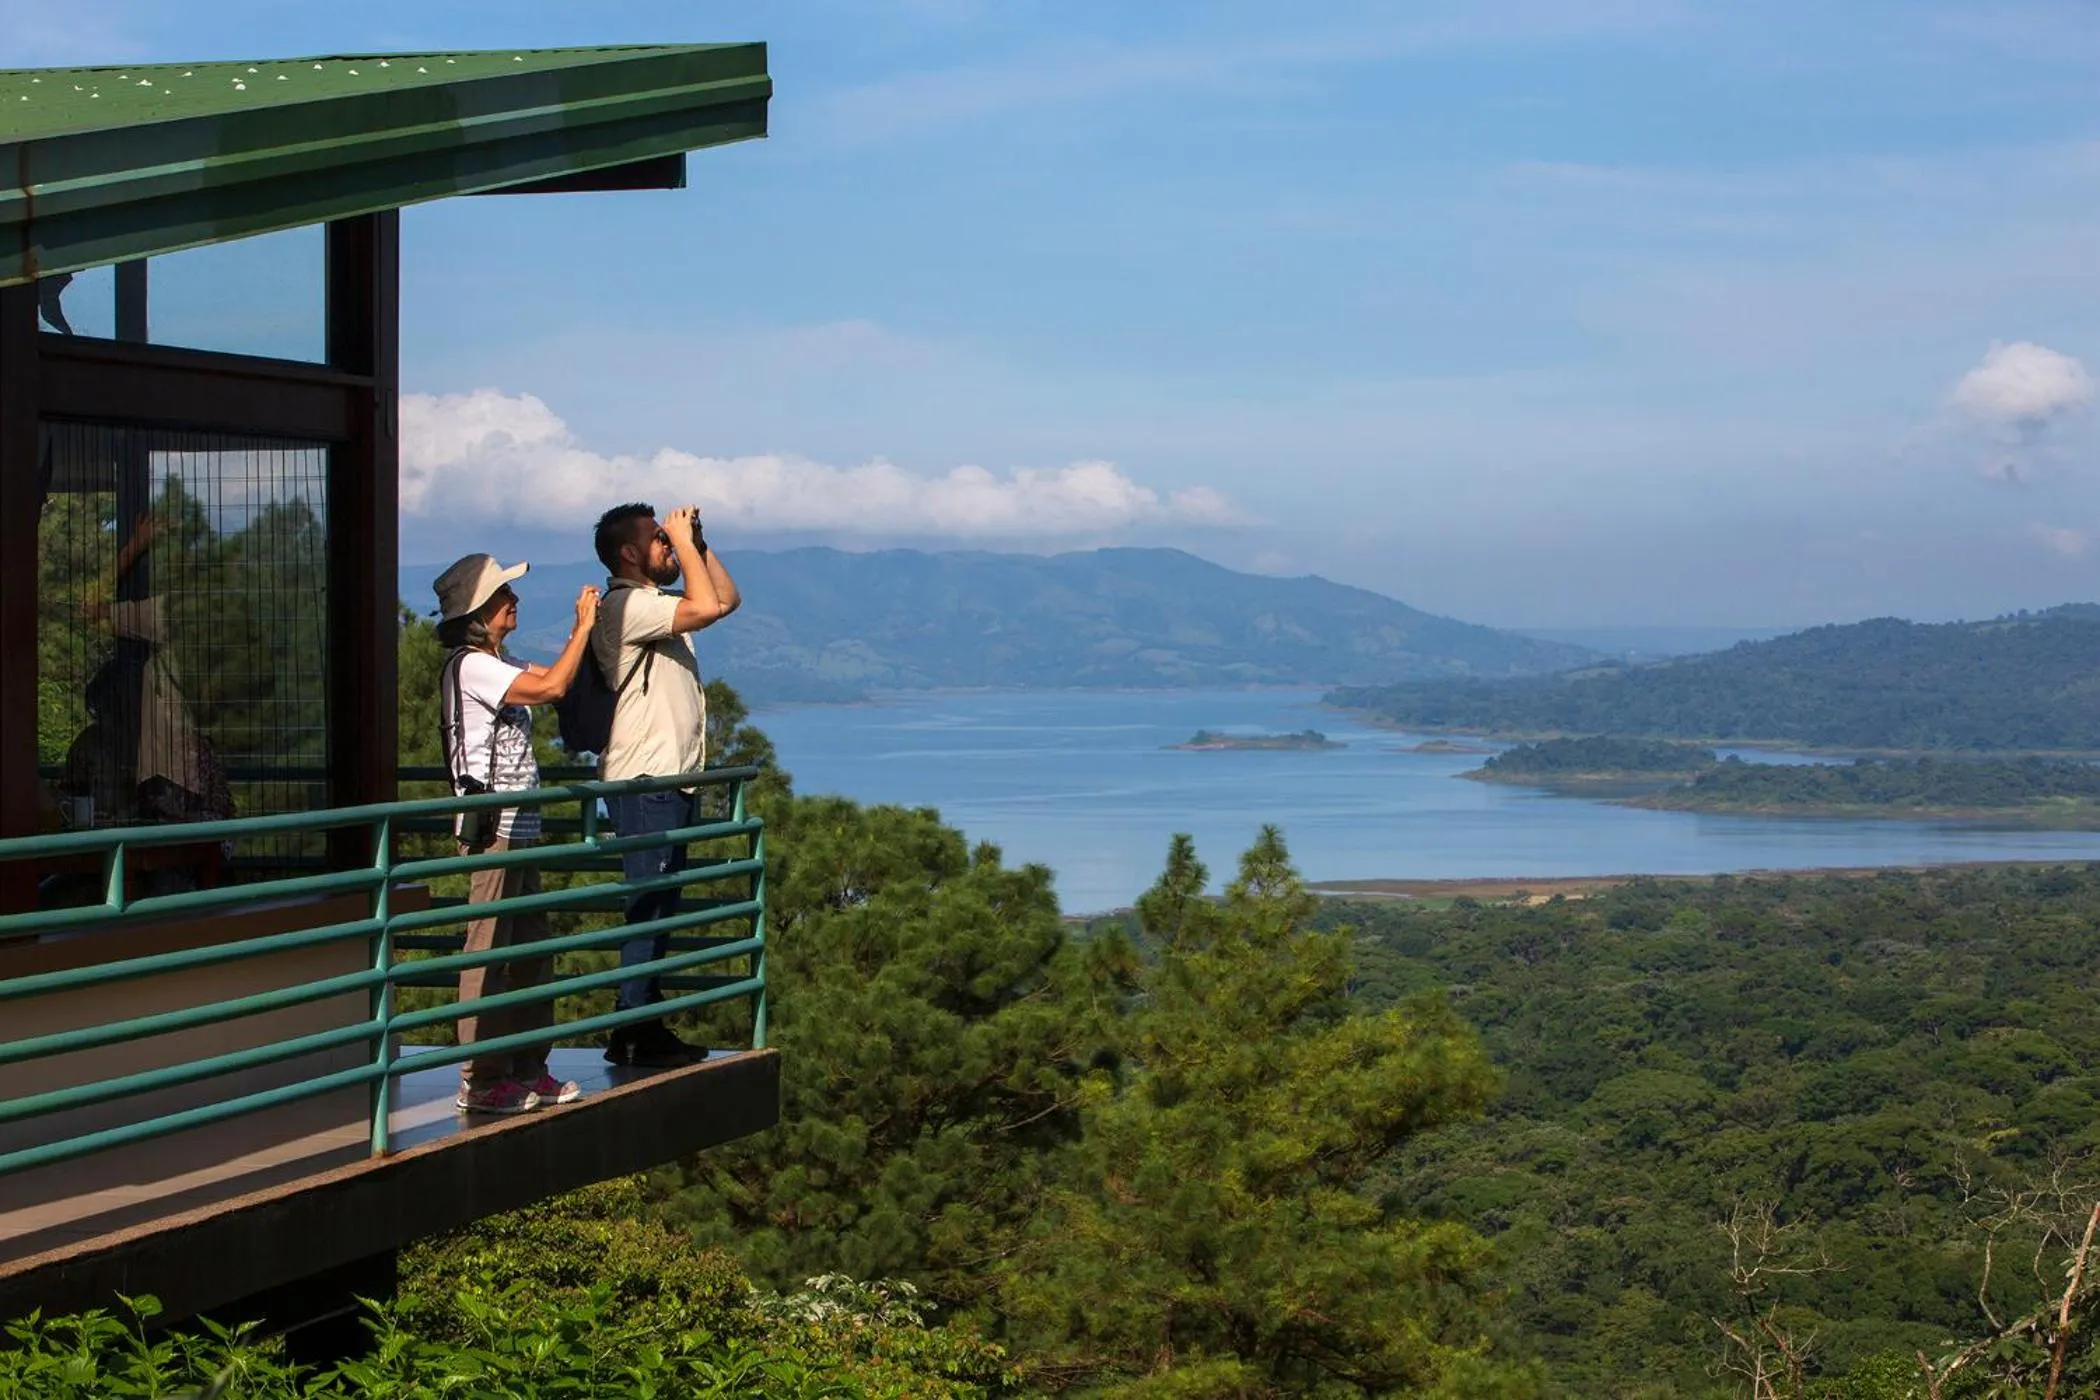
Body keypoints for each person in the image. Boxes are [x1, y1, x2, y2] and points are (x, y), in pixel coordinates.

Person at [433, 553, 600, 1115]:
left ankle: (528, 1067)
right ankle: (481, 1078)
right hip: (493, 831)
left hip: (519, 828)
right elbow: (551, 687)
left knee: (532, 951)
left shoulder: (497, 663)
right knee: (488, 952)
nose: (514, 602)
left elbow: (558, 681)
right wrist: (581, 628)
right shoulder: (473, 665)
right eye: (504, 595)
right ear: (479, 613)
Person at [590, 501, 741, 1068]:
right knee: (648, 908)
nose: (668, 548)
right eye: (658, 540)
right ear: (630, 553)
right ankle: (632, 1030)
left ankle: (644, 1023)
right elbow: (706, 605)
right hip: (643, 782)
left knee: (660, 910)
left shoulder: (654, 604)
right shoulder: (627, 606)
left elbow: (725, 601)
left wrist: (697, 546)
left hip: (667, 781)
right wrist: (682, 536)